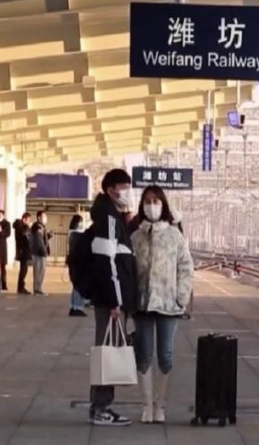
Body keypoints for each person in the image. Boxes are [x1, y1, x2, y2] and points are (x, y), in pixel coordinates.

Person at [131, 185, 193, 424]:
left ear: (163, 205)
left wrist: (181, 297)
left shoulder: (175, 236)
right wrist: (129, 298)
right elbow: (128, 269)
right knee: (144, 355)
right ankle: (146, 405)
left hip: (169, 304)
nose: (152, 206)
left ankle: (160, 405)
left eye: (156, 201)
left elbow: (186, 267)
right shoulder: (136, 236)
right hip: (142, 305)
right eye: (147, 201)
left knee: (165, 355)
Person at [87, 168, 138, 426]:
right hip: (111, 302)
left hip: (113, 299)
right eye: (123, 187)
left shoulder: (112, 216)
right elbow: (106, 262)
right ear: (110, 190)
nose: (127, 192)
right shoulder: (107, 218)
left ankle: (101, 406)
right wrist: (114, 301)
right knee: (107, 352)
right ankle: (100, 408)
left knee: (108, 350)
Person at [67, 214, 87, 317]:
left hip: (73, 262)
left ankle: (73, 306)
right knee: (79, 285)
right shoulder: (78, 235)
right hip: (78, 263)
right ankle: (78, 307)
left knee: (76, 285)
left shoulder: (72, 234)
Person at [29, 211, 51, 295]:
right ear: (39, 217)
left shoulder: (40, 226)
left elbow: (42, 239)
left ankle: (38, 288)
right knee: (39, 271)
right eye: (44, 217)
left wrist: (48, 236)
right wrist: (44, 251)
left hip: (39, 252)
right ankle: (37, 289)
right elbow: (39, 241)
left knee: (40, 271)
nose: (46, 219)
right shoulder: (38, 227)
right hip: (39, 253)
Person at [13, 213, 32, 295]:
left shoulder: (21, 226)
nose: (29, 222)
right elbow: (23, 234)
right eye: (28, 220)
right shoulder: (19, 226)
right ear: (24, 219)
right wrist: (28, 227)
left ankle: (21, 287)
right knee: (23, 270)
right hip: (23, 251)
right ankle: (20, 287)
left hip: (24, 250)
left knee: (24, 269)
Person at [0, 211, 11, 292]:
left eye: (1, 215)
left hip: (3, 246)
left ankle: (4, 284)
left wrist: (1, 231)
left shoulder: (7, 223)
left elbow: (8, 234)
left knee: (3, 267)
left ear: (3, 215)